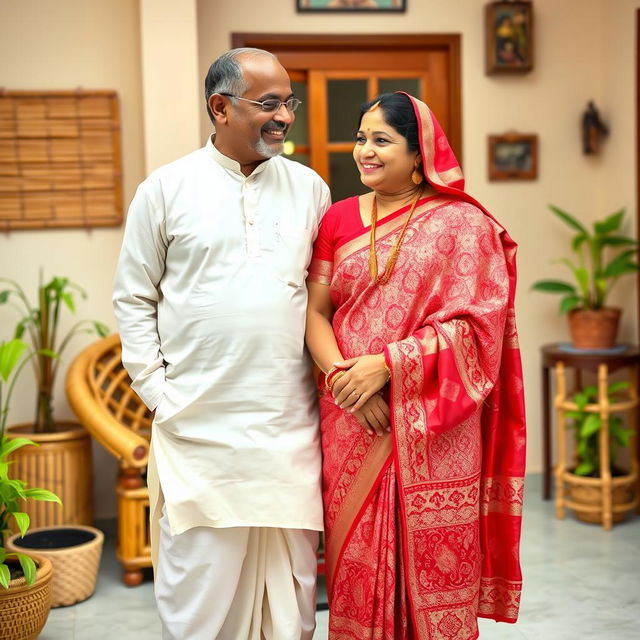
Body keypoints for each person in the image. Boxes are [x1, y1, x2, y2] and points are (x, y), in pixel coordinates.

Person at [113, 47, 331, 640]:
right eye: (269, 104)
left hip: (287, 422)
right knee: (201, 585)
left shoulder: (311, 188)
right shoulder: (164, 190)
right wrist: (159, 393)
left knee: (290, 594)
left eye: (289, 102)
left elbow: (326, 296)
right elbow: (133, 298)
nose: (285, 115)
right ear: (220, 108)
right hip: (198, 424)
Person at [305, 92, 526, 639]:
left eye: (382, 140)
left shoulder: (462, 224)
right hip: (350, 415)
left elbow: (481, 329)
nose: (365, 151)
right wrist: (344, 381)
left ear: (418, 150)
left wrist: (388, 366)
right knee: (354, 557)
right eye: (361, 138)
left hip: (435, 422)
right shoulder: (336, 219)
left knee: (434, 569)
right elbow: (313, 312)